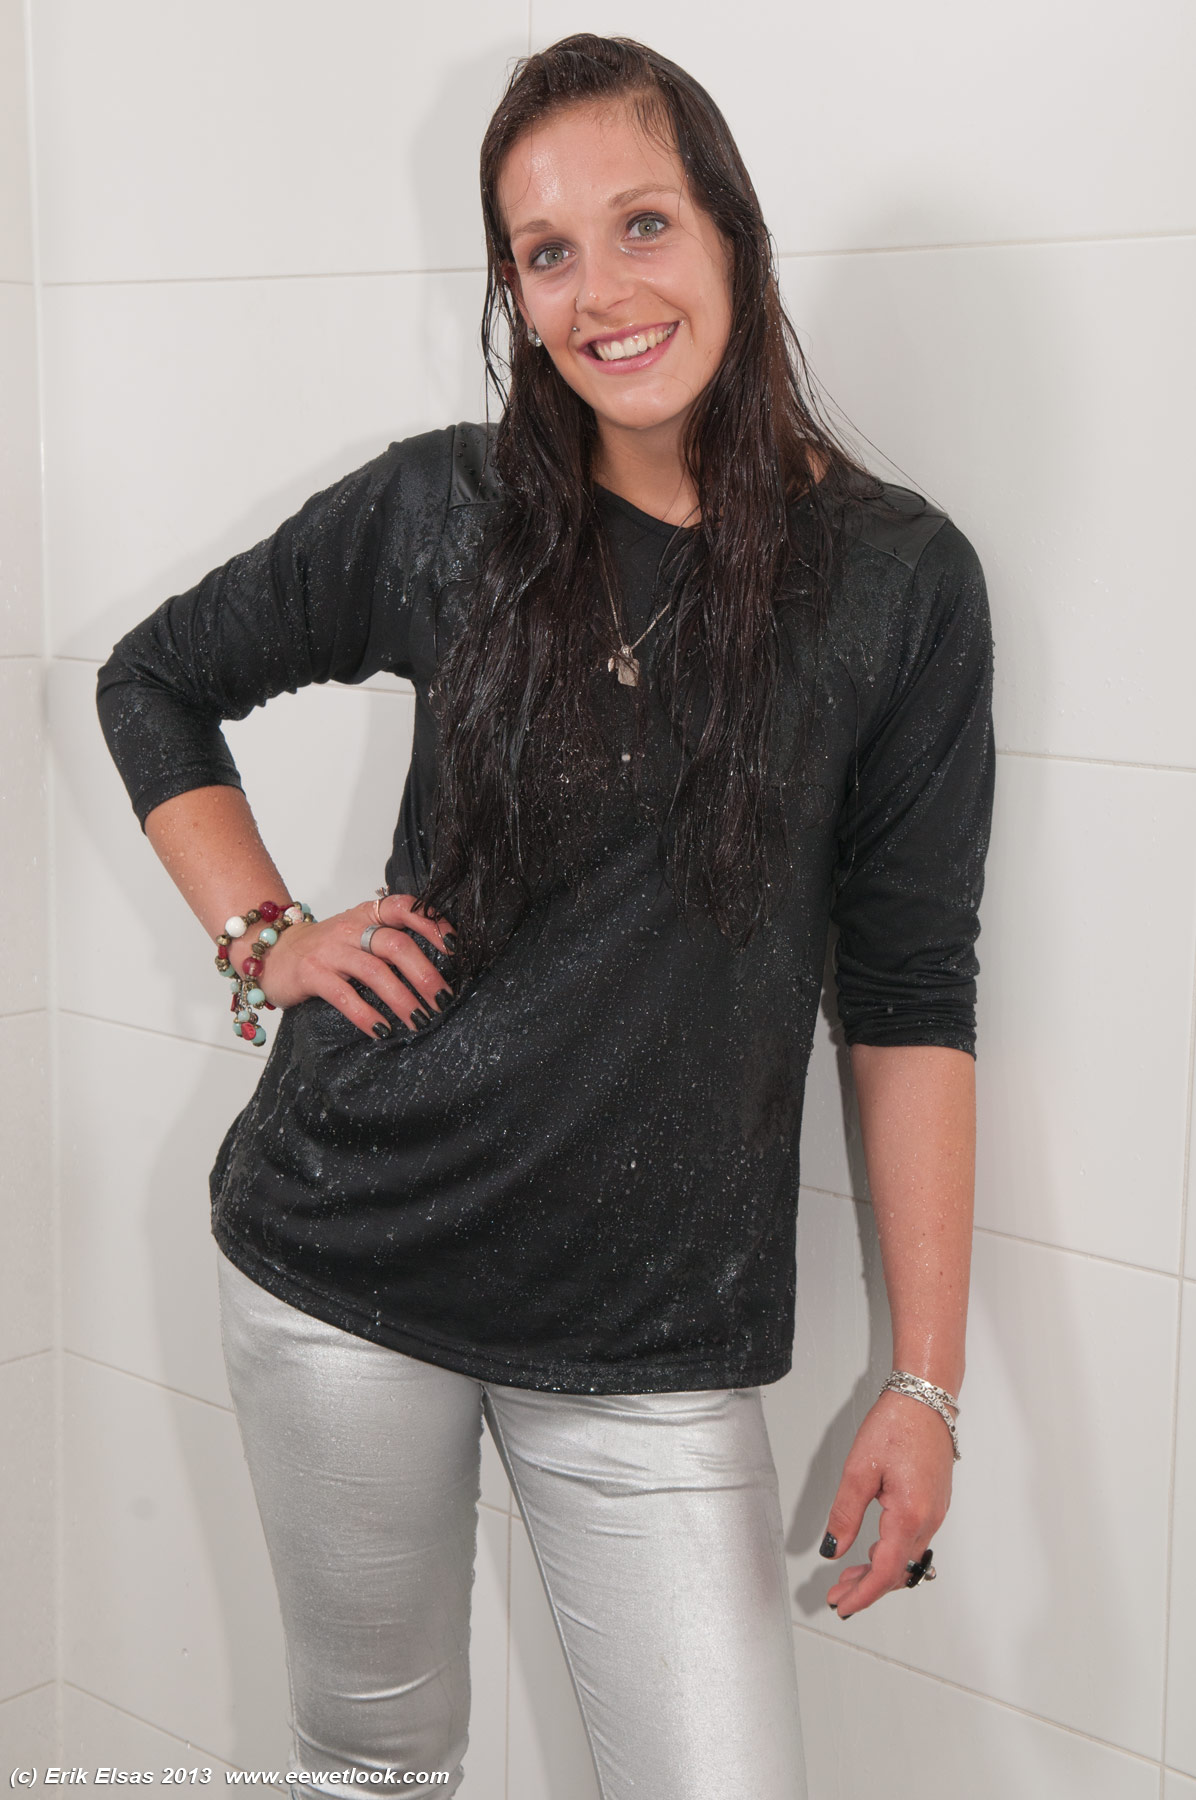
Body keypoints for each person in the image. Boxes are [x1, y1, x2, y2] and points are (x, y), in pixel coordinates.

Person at [96, 33, 994, 1800]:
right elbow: (155, 682)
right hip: (351, 1267)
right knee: (376, 1769)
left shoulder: (899, 584)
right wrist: (267, 936)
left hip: (655, 1339)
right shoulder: (448, 510)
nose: (603, 293)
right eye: (546, 251)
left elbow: (908, 996)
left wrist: (927, 1383)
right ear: (513, 289)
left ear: (731, 229)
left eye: (643, 223)